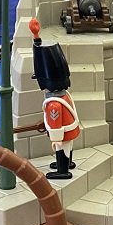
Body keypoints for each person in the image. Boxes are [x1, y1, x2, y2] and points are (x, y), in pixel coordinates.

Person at [30, 18, 79, 180]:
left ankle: (62, 170)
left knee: (61, 147)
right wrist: (36, 38)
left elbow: (56, 122)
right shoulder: (64, 96)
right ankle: (67, 163)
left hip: (63, 132)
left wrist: (55, 138)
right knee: (67, 147)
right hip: (70, 129)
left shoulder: (53, 104)